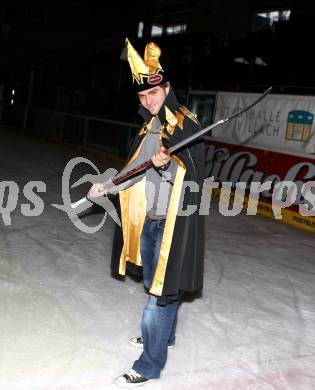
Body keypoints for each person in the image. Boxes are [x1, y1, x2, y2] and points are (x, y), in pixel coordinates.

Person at [89, 38, 205, 387]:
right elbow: (136, 167)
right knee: (161, 289)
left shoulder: (185, 123)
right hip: (151, 224)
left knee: (159, 296)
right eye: (142, 97)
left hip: (172, 227)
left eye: (153, 94)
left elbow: (194, 176)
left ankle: (149, 365)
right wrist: (108, 186)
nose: (148, 101)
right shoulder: (150, 127)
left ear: (167, 89)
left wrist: (168, 166)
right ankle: (163, 338)